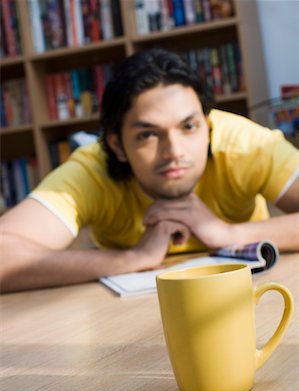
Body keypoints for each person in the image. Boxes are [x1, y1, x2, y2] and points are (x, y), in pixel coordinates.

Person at [1, 48, 298, 293]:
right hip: (123, 316)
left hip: (253, 295)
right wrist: (132, 258)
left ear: (207, 127)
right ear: (117, 145)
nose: (174, 151)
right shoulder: (92, 169)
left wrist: (228, 232)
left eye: (189, 127)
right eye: (148, 134)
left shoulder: (244, 145)